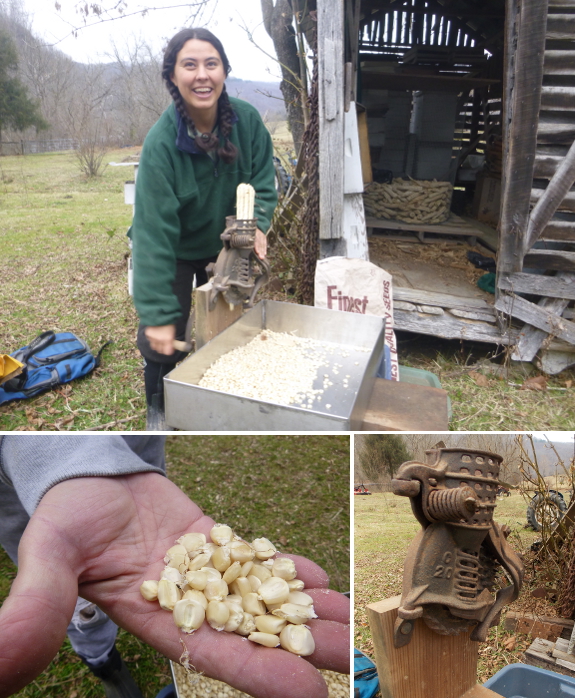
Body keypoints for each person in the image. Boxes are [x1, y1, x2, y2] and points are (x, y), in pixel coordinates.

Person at [0, 435, 350, 698]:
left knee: (140, 450)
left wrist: (118, 469)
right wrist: (63, 466)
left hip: (139, 471)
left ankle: (100, 654)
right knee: (80, 606)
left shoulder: (221, 579)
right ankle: (101, 658)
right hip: (21, 488)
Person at [129, 28, 278, 429]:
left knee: (230, 325)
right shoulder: (161, 146)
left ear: (225, 71)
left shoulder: (246, 122)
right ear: (173, 77)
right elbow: (152, 237)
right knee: (166, 337)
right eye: (189, 65)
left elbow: (263, 180)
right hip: (174, 248)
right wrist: (158, 312)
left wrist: (257, 225)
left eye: (211, 64)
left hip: (227, 243)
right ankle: (160, 410)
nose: (202, 75)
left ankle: (224, 402)